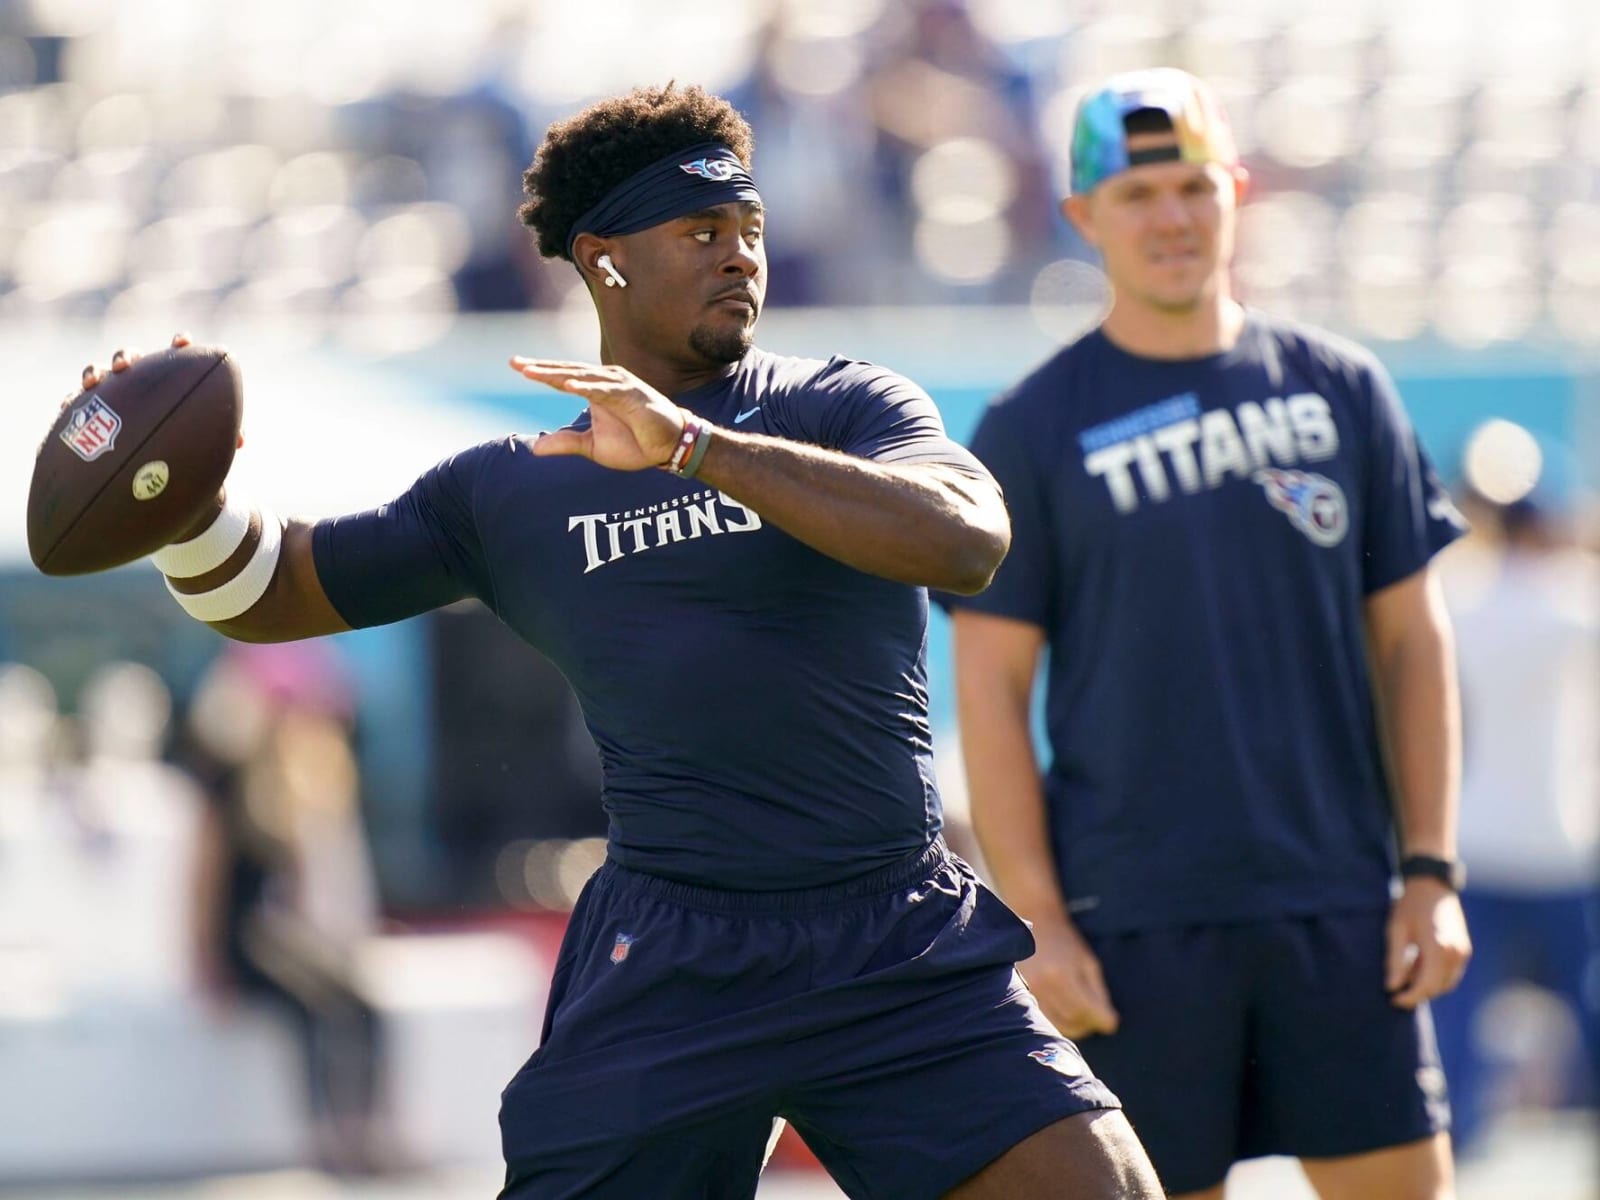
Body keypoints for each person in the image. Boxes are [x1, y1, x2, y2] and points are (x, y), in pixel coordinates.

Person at [78, 84, 1161, 1199]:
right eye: (701, 234)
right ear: (603, 261)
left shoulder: (844, 406)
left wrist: (694, 447)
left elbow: (964, 539)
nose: (739, 257)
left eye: (749, 232)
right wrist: (171, 500)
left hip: (893, 936)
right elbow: (274, 588)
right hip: (674, 958)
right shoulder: (507, 486)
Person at [943, 69, 1473, 1200]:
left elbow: (1412, 646)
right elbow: (988, 693)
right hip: (1130, 921)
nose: (1172, 218)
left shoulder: (1342, 389)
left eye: (1193, 186)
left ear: (1235, 193)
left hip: (1339, 903)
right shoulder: (1032, 424)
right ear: (1082, 215)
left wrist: (1428, 871)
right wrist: (1033, 917)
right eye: (1137, 195)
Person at [1433, 494, 1599, 1154]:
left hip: (1473, 839)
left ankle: (1452, 1157)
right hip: (1558, 841)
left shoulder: (1463, 599)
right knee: (1586, 1008)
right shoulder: (1573, 599)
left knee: (1459, 1022)